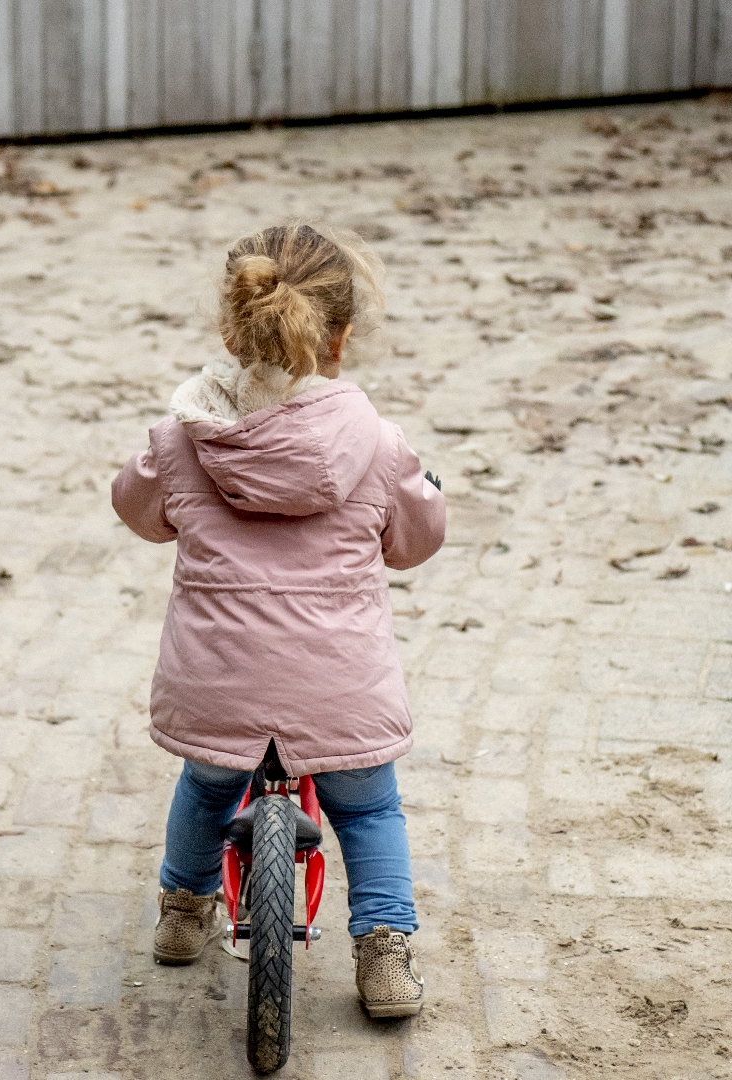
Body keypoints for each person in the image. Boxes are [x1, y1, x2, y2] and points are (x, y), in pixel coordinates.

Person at [111, 223, 447, 1018]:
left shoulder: (181, 439)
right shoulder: (380, 446)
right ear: (342, 337)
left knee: (204, 784)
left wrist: (161, 484)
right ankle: (386, 953)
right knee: (367, 808)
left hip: (217, 686)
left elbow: (136, 508)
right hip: (339, 692)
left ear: (231, 329)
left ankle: (182, 914)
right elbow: (418, 539)